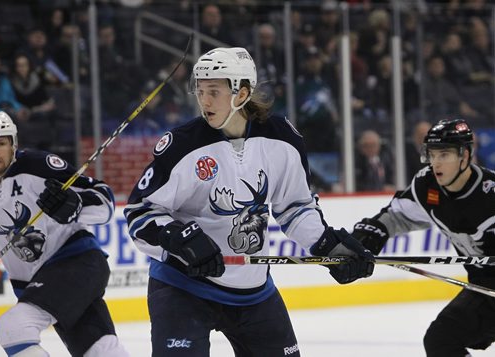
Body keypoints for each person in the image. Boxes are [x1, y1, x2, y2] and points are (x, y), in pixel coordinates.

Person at [124, 47, 374, 356]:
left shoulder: (282, 139)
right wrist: (178, 239)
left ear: (241, 94)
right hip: (183, 288)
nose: (204, 101)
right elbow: (140, 213)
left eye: (214, 92)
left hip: (252, 292)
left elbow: (295, 207)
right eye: (201, 91)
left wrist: (328, 246)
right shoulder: (182, 146)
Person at [350, 118, 495, 356]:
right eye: (432, 155)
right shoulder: (427, 186)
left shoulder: (490, 194)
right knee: (441, 340)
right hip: (484, 288)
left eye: (444, 155)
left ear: (466, 156)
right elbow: (396, 216)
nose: (436, 163)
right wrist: (368, 236)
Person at [0, 111, 128, 356]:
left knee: (13, 327)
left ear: (14, 144)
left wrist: (74, 205)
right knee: (102, 350)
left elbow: (104, 203)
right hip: (43, 284)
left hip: (76, 264)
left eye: (0, 143)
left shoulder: (36, 166)